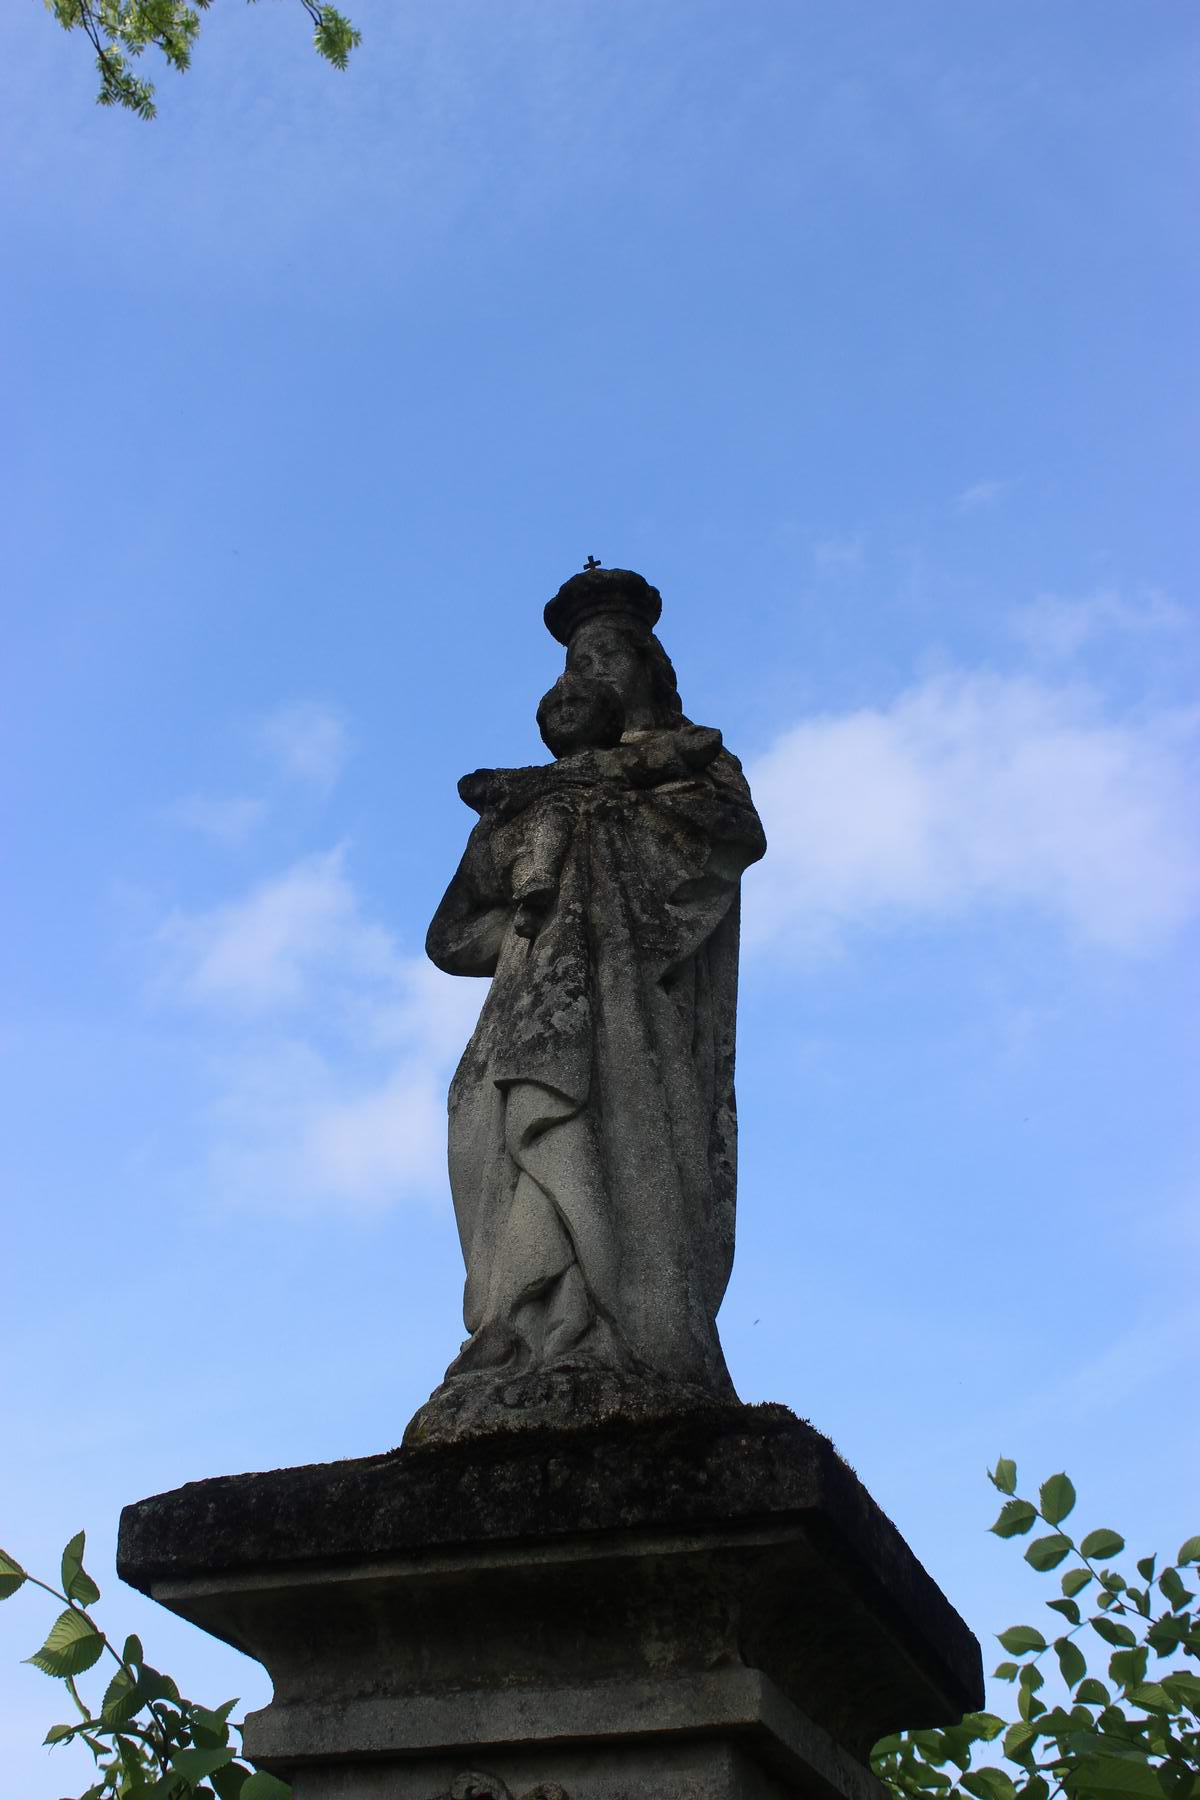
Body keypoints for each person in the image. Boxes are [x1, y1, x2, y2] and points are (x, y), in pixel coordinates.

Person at [419, 568, 765, 1435]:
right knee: (496, 1130)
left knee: (602, 1140)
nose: (589, 674)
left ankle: (604, 1333)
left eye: (608, 655)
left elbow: (727, 844)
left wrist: (608, 829)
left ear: (647, 664)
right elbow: (450, 936)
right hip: (532, 1002)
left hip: (632, 1006)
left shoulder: (694, 766)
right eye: (577, 662)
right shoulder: (521, 804)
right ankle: (518, 1329)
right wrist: (534, 933)